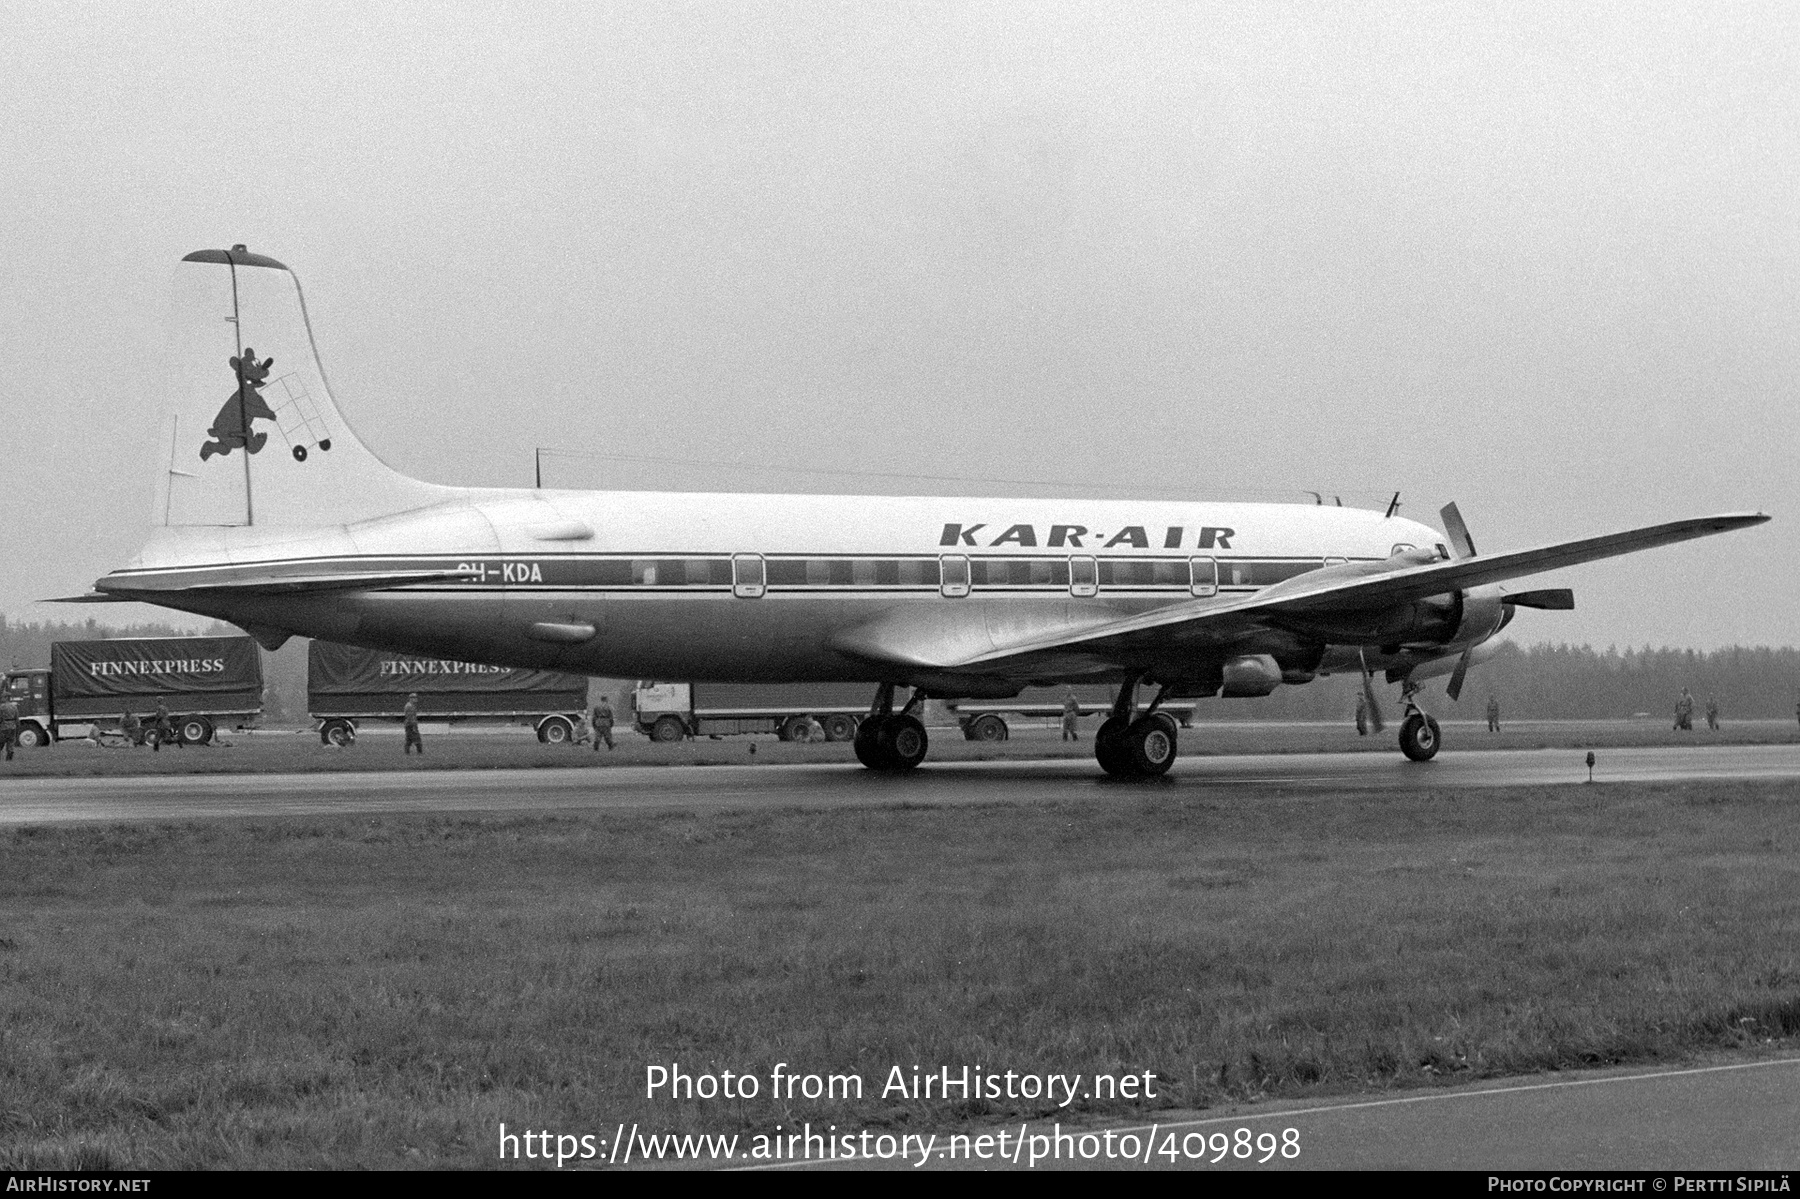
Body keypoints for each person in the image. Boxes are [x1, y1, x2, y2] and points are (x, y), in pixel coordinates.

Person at [0, 695, 18, 761]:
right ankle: (9, 758)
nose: (1, 698)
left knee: (1, 742)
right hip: (12, 727)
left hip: (3, 727)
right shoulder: (14, 707)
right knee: (11, 742)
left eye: (3, 697)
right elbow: (17, 718)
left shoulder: (1, 707)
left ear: (6, 698)